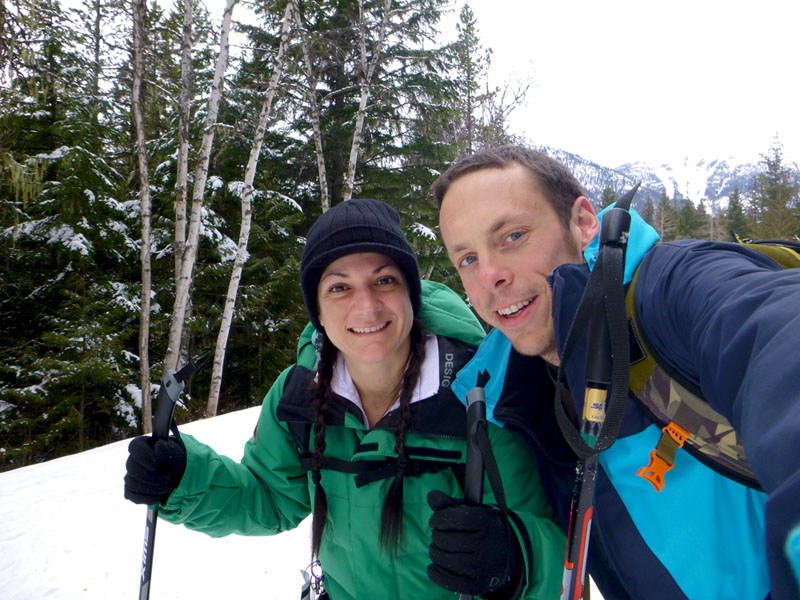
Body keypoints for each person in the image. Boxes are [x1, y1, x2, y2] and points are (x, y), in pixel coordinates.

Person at [124, 198, 565, 599]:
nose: (367, 306)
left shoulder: (478, 396)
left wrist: (515, 561)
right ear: (317, 309)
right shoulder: (299, 395)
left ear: (411, 294)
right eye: (339, 287)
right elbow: (270, 497)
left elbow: (562, 551)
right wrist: (184, 476)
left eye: (385, 280)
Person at [433, 145, 800, 600]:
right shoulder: (506, 397)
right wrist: (515, 560)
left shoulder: (668, 290)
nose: (490, 276)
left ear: (584, 223)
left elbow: (775, 331)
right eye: (467, 259)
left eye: (512, 236)